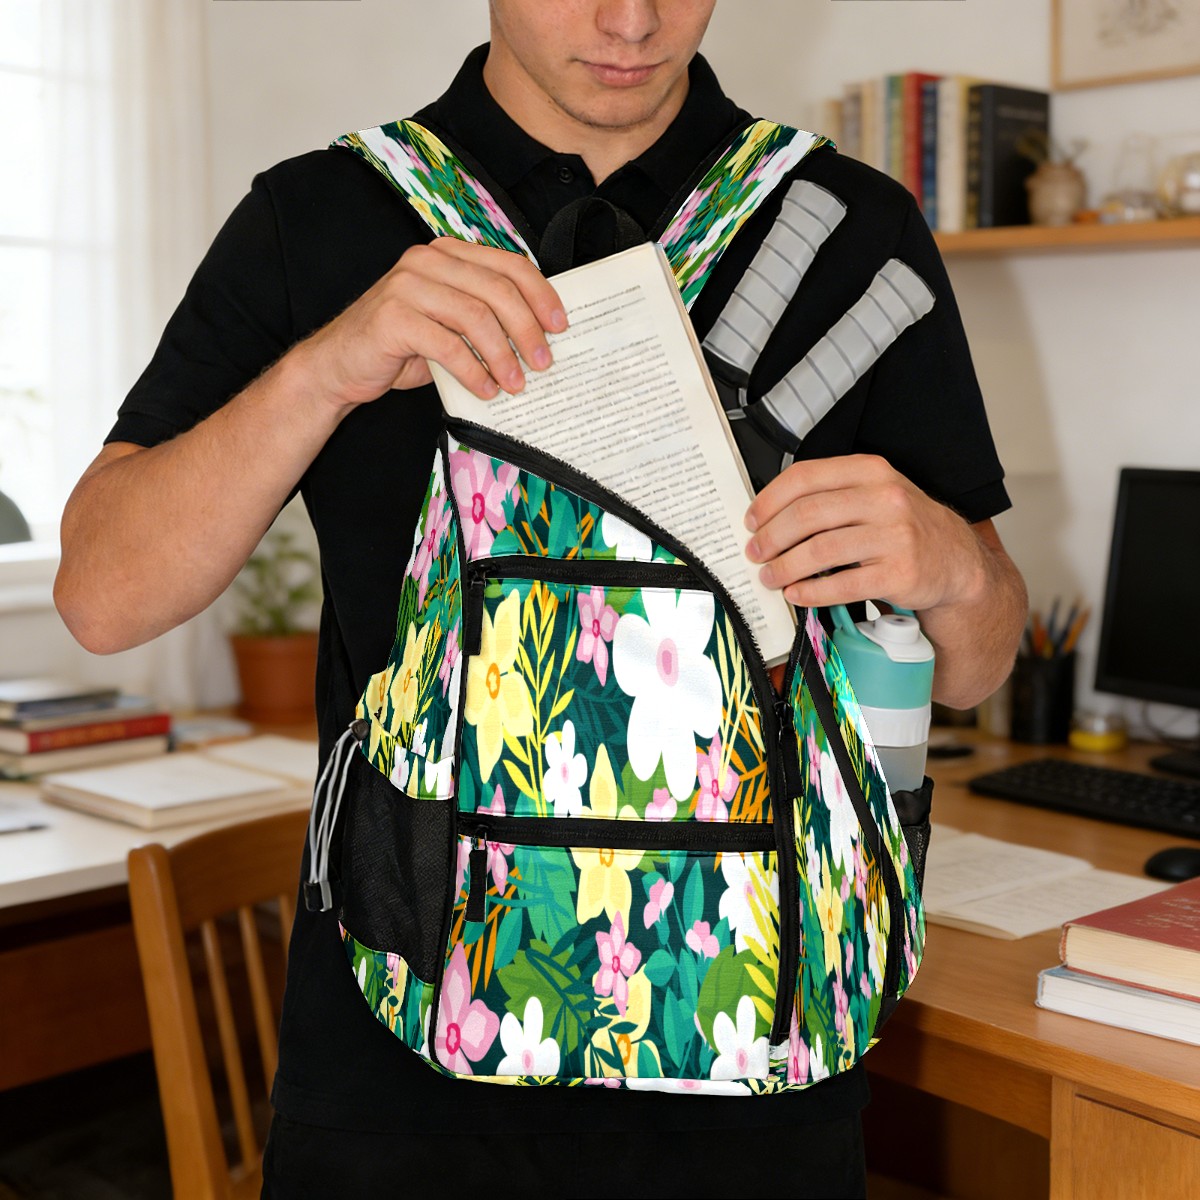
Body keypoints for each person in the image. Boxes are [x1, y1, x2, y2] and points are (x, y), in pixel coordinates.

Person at [55, 2, 1027, 1195]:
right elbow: (102, 597)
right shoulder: (320, 218)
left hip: (767, 1080)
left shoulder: (848, 229)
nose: (631, 19)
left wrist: (955, 565)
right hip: (397, 1094)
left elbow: (980, 662)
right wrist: (325, 370)